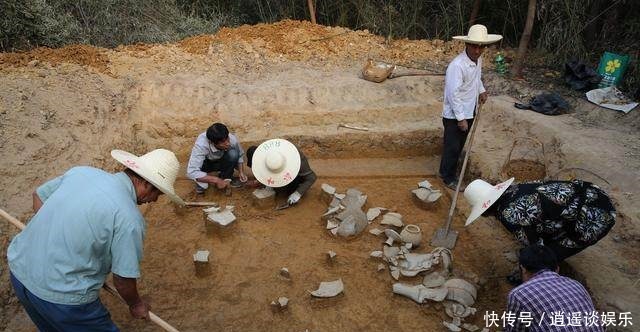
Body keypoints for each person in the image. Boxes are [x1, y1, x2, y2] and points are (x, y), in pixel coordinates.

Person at [7, 148, 184, 331]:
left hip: (20, 271)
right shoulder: (129, 219)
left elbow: (39, 196)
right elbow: (123, 280)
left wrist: (54, 233)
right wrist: (136, 304)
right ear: (146, 184)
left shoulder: (81, 172)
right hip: (64, 298)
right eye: (158, 194)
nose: (155, 200)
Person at [464, 178, 616, 263]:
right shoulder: (516, 189)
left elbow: (537, 248)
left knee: (545, 257)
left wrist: (528, 264)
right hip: (593, 194)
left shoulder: (508, 215)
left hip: (595, 217)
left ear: (486, 210)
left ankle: (545, 281)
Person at [439, 24, 502, 189]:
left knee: (459, 145)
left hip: (470, 109)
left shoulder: (478, 60)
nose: (477, 50)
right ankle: (447, 177)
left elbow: (476, 79)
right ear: (466, 45)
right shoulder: (457, 66)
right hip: (455, 115)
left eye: (481, 47)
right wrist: (460, 118)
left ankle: (451, 171)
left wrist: (481, 90)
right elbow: (453, 94)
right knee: (452, 147)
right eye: (474, 46)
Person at [505, 245, 603, 332]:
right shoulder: (576, 284)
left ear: (523, 269)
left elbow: (514, 329)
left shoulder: (519, 294)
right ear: (557, 269)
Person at [246, 138, 317, 206]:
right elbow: (271, 167)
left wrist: (297, 194)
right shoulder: (268, 155)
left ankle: (289, 188)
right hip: (276, 167)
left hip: (294, 178)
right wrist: (263, 180)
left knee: (285, 190)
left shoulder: (297, 159)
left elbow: (312, 177)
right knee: (251, 150)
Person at [186, 122, 247, 194]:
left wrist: (241, 172)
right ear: (212, 142)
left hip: (221, 161)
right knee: (198, 173)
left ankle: (226, 177)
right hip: (207, 163)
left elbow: (239, 155)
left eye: (227, 139)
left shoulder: (231, 139)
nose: (227, 143)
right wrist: (216, 180)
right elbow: (191, 172)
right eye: (222, 142)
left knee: (233, 154)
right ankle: (202, 181)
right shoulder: (201, 145)